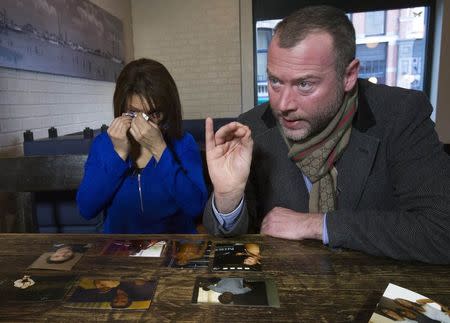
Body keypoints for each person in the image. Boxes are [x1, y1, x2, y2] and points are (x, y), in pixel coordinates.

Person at [203, 6, 450, 263]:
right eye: (275, 81)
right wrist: (228, 198)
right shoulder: (251, 127)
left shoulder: (400, 115)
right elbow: (228, 240)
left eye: (305, 84)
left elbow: (443, 229)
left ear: (349, 75)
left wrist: (319, 225)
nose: (283, 104)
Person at [77, 58, 208, 233]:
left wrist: (160, 150)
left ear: (167, 111)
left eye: (154, 114)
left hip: (175, 250)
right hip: (120, 251)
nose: (143, 123)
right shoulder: (103, 144)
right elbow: (86, 209)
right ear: (121, 109)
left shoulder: (184, 143)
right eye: (134, 113)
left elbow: (195, 208)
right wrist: (119, 154)